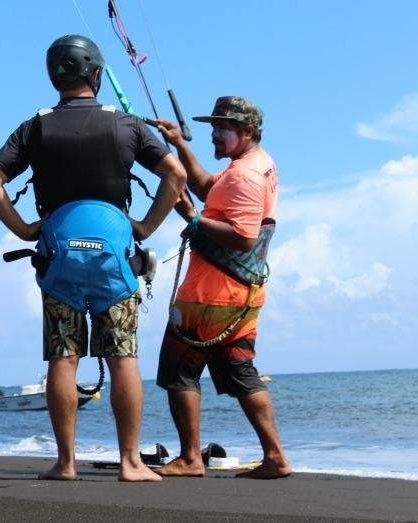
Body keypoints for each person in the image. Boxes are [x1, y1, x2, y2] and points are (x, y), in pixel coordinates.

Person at [0, 35, 186, 481]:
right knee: (122, 357)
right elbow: (176, 173)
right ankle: (131, 463)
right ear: (96, 75)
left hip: (58, 258)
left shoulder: (35, 126)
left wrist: (24, 229)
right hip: (115, 258)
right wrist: (145, 226)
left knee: (63, 359)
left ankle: (66, 463)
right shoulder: (126, 124)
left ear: (54, 76)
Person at [153, 96, 291, 479]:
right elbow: (206, 186)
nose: (213, 134)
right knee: (241, 371)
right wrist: (180, 145)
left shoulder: (244, 176)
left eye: (221, 128)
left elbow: (243, 237)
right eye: (212, 126)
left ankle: (190, 459)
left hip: (209, 297)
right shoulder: (254, 165)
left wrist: (192, 219)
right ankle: (276, 456)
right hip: (241, 295)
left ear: (247, 131)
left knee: (179, 373)